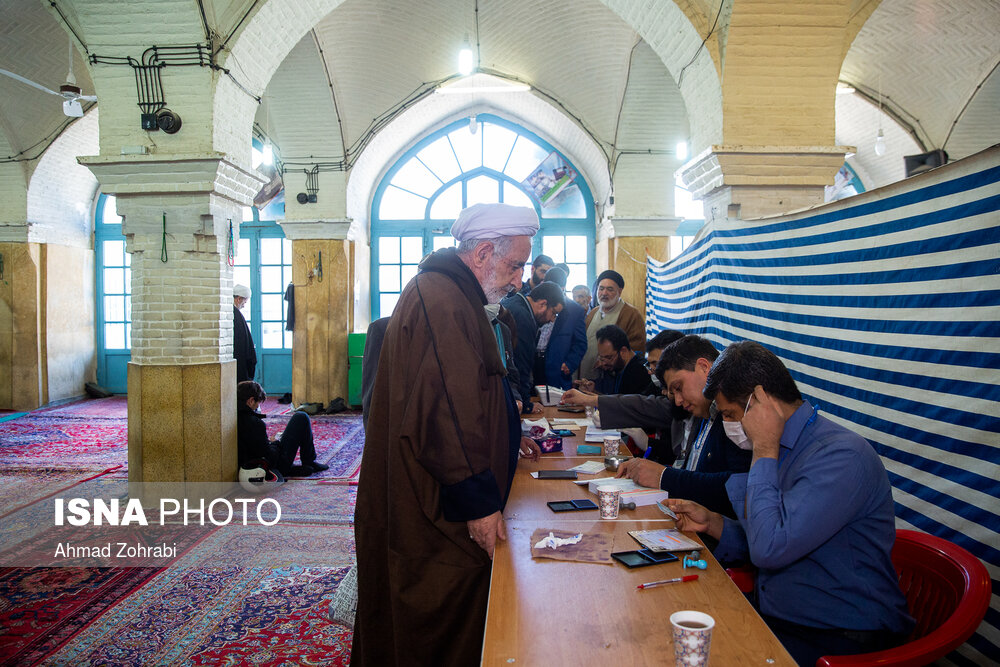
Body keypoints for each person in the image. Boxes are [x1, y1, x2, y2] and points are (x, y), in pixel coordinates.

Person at [353, 202, 542, 667]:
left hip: (436, 493)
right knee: (438, 618)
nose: (519, 280)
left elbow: (472, 393)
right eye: (515, 265)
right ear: (481, 254)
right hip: (434, 506)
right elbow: (445, 413)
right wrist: (478, 504)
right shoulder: (442, 301)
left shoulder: (453, 296)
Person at [668, 341, 913, 666]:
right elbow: (769, 531)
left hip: (839, 633)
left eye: (729, 415)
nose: (728, 426)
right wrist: (713, 522)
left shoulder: (840, 456)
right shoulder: (785, 448)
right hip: (781, 614)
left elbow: (770, 548)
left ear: (760, 402)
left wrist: (764, 448)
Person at [570, 335, 751, 516]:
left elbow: (737, 488)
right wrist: (648, 469)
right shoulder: (704, 411)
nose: (677, 400)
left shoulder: (732, 415)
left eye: (678, 387)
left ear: (704, 367)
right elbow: (693, 473)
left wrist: (663, 475)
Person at [236, 380, 328, 475]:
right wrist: (275, 443)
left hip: (248, 465)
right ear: (251, 401)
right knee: (301, 417)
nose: (257, 408)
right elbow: (270, 458)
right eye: (257, 403)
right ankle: (308, 461)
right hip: (270, 467)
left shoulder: (233, 416)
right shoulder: (254, 423)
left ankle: (307, 465)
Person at [500, 281, 564, 413]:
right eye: (554, 313)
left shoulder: (515, 303)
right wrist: (526, 404)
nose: (553, 319)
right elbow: (520, 364)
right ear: (543, 304)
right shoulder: (523, 318)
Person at [578, 270, 644, 379]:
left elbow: (636, 350)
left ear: (620, 291)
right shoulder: (593, 312)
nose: (604, 293)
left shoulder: (632, 314)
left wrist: (608, 362)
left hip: (614, 380)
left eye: (610, 289)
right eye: (601, 288)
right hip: (587, 376)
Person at [535, 266, 587, 390]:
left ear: (563, 288)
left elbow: (580, 343)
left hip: (557, 369)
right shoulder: (535, 304)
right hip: (533, 364)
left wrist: (570, 364)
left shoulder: (575, 310)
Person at [588, 325, 649, 395]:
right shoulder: (619, 366)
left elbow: (625, 404)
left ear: (623, 351)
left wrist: (593, 398)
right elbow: (615, 401)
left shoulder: (640, 372)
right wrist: (592, 391)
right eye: (601, 358)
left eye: (608, 357)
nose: (603, 363)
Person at [233, 284, 257, 383]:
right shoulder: (236, 315)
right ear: (238, 299)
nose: (244, 305)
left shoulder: (234, 313)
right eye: (244, 302)